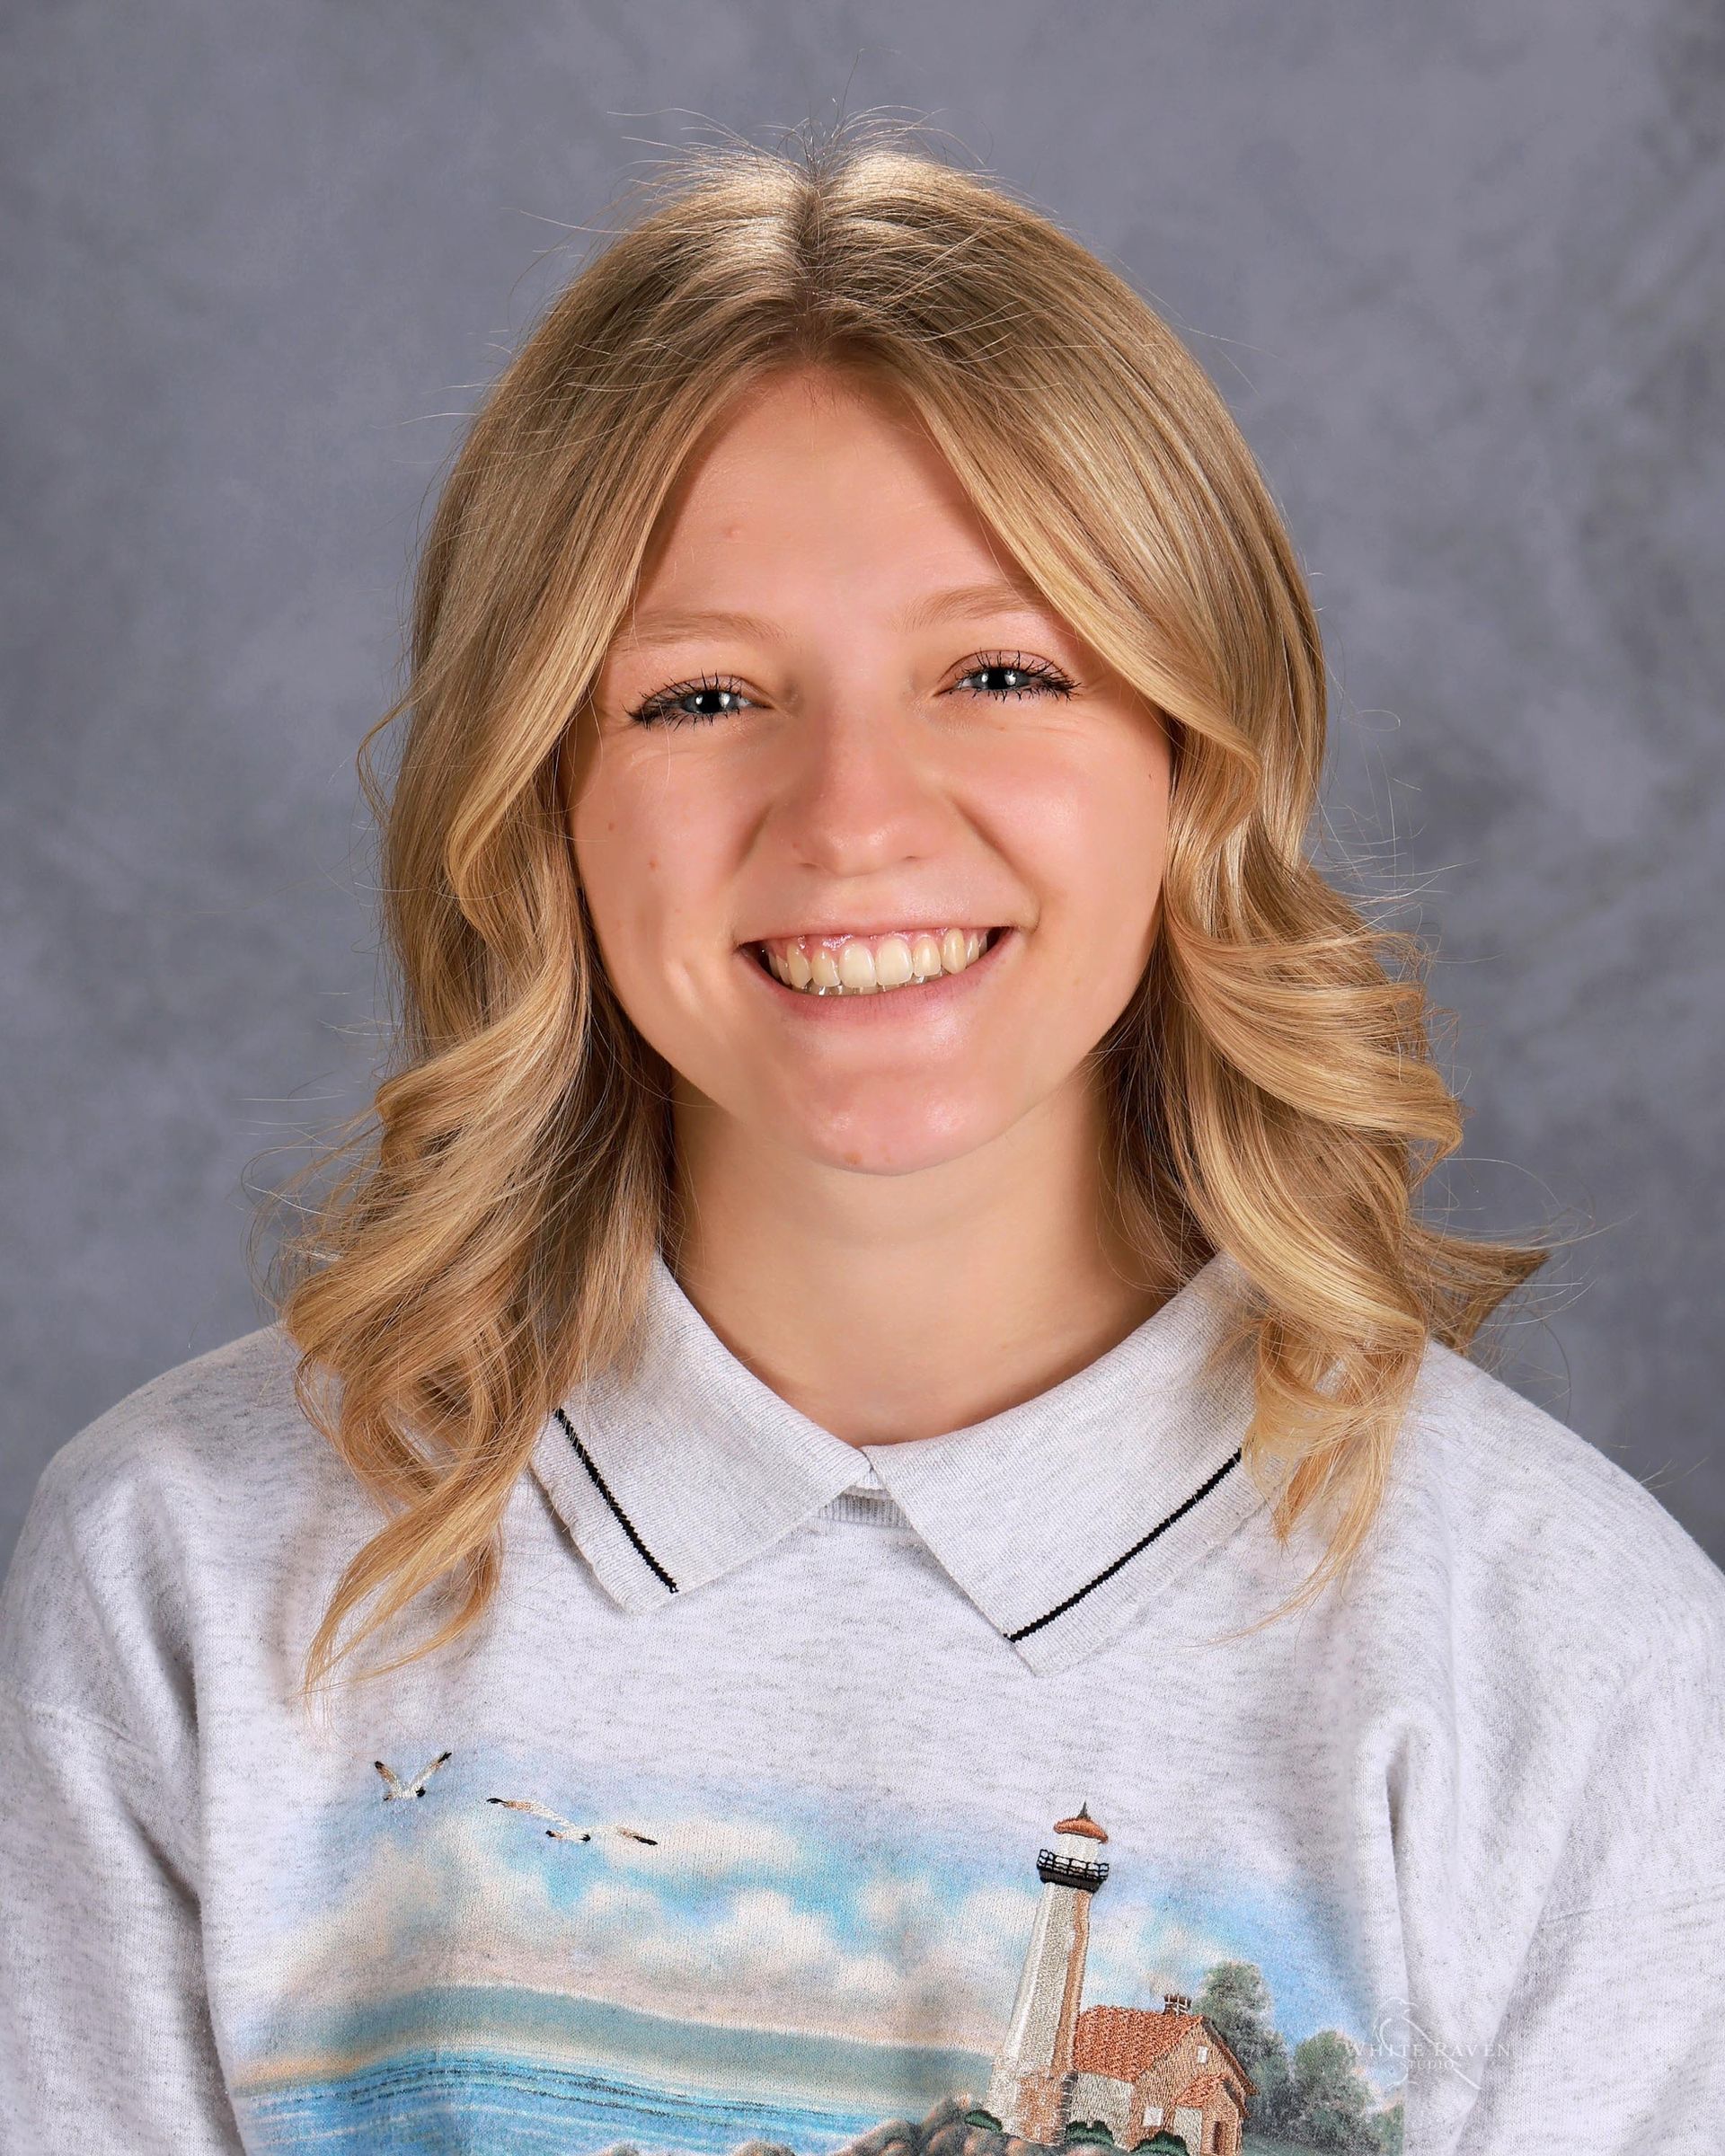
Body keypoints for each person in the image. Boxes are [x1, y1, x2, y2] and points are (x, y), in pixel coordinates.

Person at [2, 121, 1721, 2156]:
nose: (853, 819)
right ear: (536, 797)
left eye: (1002, 670)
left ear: (1191, 763)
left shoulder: (1564, 1648)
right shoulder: (188, 1576)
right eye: (702, 698)